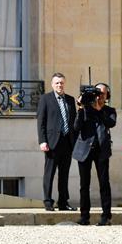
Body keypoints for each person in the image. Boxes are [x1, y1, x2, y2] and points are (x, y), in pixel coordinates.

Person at [73, 83, 117, 226]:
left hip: (101, 151)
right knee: (84, 185)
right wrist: (80, 108)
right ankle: (84, 217)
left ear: (107, 95)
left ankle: (106, 217)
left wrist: (100, 110)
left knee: (104, 184)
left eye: (103, 94)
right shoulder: (85, 109)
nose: (100, 96)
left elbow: (111, 123)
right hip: (84, 150)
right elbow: (76, 127)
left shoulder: (109, 110)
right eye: (98, 93)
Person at [36, 73, 77, 211]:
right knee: (49, 173)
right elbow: (41, 122)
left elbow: (74, 122)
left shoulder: (71, 100)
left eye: (61, 83)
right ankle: (48, 201)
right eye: (57, 83)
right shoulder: (45, 99)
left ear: (64, 84)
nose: (59, 85)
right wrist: (42, 141)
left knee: (64, 174)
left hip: (67, 142)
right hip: (52, 143)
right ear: (52, 84)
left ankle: (63, 202)